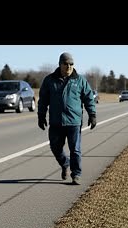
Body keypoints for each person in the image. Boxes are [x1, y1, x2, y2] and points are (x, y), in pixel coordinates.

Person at [37, 52, 97, 185]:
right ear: (60, 65)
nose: (69, 67)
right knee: (55, 147)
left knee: (75, 149)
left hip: (74, 121)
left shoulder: (80, 80)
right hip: (56, 121)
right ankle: (65, 164)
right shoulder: (49, 80)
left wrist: (92, 115)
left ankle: (76, 174)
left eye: (71, 64)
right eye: (66, 64)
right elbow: (43, 100)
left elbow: (88, 98)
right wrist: (41, 115)